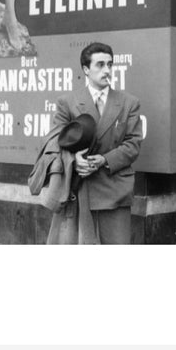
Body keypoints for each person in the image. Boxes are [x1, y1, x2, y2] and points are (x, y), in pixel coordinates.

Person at [48, 42, 143, 244]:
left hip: (115, 190)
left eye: (109, 64)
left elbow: (133, 144)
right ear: (85, 69)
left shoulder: (129, 103)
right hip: (80, 190)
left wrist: (104, 160)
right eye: (100, 65)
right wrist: (74, 160)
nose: (107, 70)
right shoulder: (68, 102)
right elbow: (55, 143)